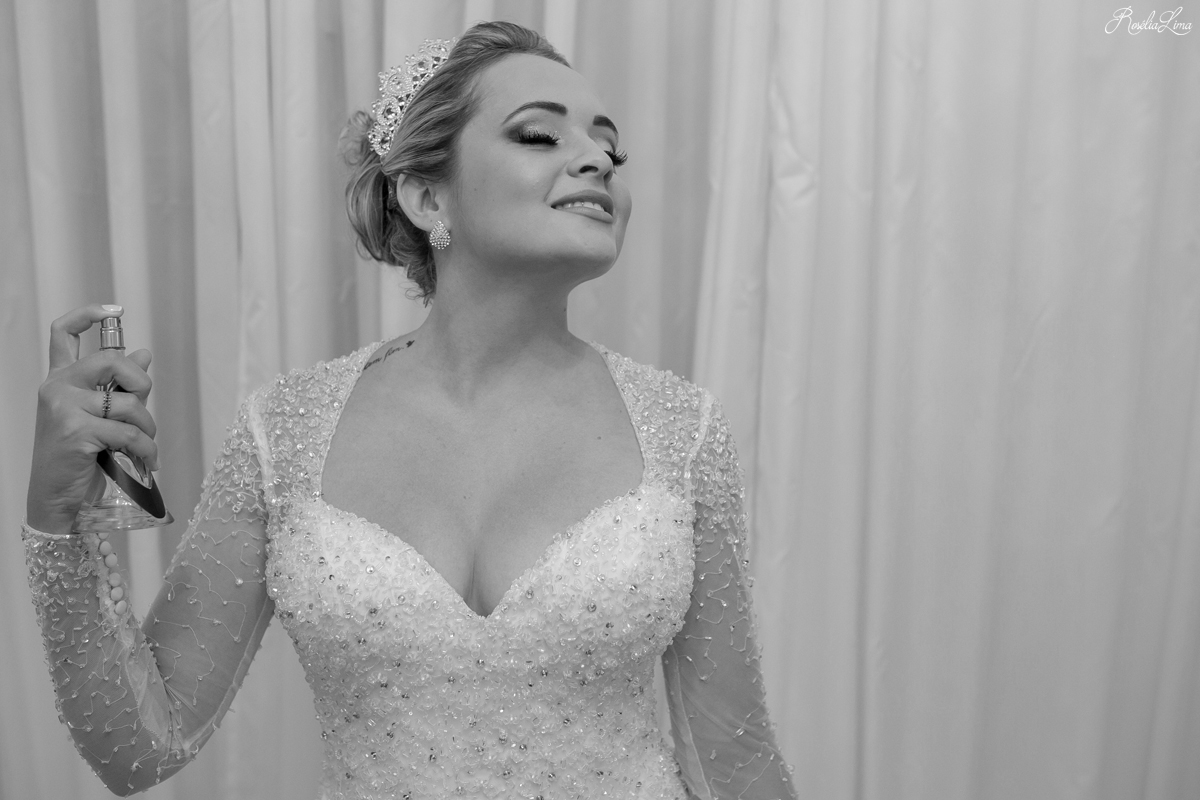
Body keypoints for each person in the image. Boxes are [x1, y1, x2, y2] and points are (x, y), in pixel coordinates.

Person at [23, 21, 796, 800]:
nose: (597, 160)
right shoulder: (285, 433)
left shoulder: (681, 431)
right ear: (427, 196)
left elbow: (736, 764)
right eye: (538, 135)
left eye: (611, 150)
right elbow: (139, 749)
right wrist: (55, 521)